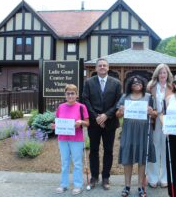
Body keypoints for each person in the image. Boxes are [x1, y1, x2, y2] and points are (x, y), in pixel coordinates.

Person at [82, 58, 122, 190]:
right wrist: (96, 117)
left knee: (109, 151)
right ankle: (94, 177)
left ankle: (106, 177)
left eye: (105, 65)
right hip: (94, 123)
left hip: (110, 123)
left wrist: (106, 115)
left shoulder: (116, 83)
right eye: (100, 65)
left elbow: (118, 102)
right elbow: (85, 99)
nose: (102, 67)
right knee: (93, 150)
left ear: (108, 68)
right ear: (96, 68)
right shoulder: (88, 82)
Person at [116, 75, 157, 197]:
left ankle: (140, 186)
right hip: (128, 131)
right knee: (127, 158)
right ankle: (127, 186)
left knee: (142, 158)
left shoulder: (149, 97)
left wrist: (151, 112)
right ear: (130, 85)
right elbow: (117, 114)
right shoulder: (125, 97)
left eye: (139, 82)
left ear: (143, 84)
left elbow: (155, 114)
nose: (136, 84)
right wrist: (121, 111)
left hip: (144, 131)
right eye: (133, 83)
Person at [51, 84, 89, 195]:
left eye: (73, 93)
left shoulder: (82, 107)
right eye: (68, 93)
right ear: (65, 95)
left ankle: (78, 185)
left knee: (77, 163)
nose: (70, 95)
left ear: (76, 95)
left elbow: (87, 123)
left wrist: (81, 122)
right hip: (63, 138)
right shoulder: (61, 107)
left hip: (76, 139)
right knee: (64, 162)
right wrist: (54, 126)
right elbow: (58, 121)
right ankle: (64, 184)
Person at [146, 63, 173, 188]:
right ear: (157, 74)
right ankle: (153, 178)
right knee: (154, 147)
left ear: (168, 74)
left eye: (165, 72)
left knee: (166, 148)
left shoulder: (172, 87)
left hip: (168, 120)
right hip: (154, 120)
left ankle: (165, 178)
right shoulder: (151, 86)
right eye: (161, 72)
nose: (163, 75)